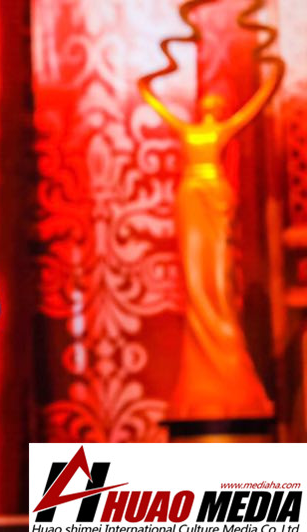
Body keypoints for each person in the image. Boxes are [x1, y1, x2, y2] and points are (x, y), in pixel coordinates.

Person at [137, 54, 283, 420]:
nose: (211, 109)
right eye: (207, 104)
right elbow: (147, 93)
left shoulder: (222, 130)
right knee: (195, 277)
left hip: (215, 196)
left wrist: (273, 74)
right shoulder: (188, 131)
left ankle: (229, 370)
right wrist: (167, 63)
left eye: (216, 106)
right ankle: (201, 376)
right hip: (191, 196)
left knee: (218, 278)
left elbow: (254, 107)